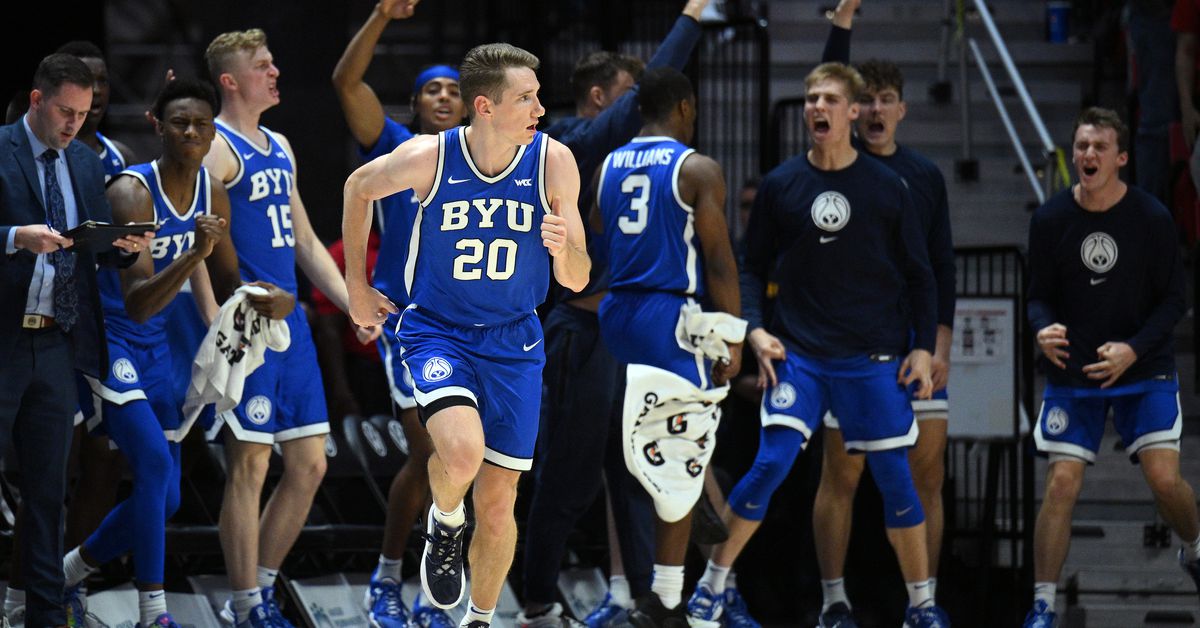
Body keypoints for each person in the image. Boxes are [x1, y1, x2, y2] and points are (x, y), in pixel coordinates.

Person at [685, 62, 950, 628]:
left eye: (828, 98)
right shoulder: (782, 184)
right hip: (800, 357)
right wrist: (754, 329)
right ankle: (712, 588)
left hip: (871, 358)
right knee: (773, 460)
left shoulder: (890, 188)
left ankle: (922, 605)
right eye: (809, 98)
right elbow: (749, 269)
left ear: (853, 111)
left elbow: (923, 277)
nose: (815, 107)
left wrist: (923, 347)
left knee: (894, 475)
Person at [343, 42, 590, 628]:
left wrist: (566, 248)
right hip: (438, 331)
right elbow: (357, 187)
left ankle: (479, 618)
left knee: (501, 502)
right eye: (525, 98)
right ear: (485, 106)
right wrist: (355, 286)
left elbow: (578, 279)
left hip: (515, 340)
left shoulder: (555, 162)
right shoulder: (429, 156)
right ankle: (445, 522)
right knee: (459, 452)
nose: (539, 108)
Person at [522, 3, 710, 625]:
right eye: (630, 100)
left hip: (624, 334)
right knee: (566, 480)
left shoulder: (629, 162)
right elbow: (645, 102)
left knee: (637, 472)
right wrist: (690, 18)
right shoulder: (566, 146)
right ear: (599, 99)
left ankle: (649, 604)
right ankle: (538, 601)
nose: (642, 112)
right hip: (578, 332)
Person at [200, 28, 375, 628]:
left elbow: (302, 238)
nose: (275, 73)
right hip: (247, 328)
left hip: (291, 326)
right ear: (231, 80)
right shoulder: (216, 150)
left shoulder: (278, 144)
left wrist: (353, 300)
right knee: (248, 465)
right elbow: (198, 249)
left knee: (309, 465)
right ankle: (245, 601)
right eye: (262, 66)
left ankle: (260, 590)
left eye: (274, 63)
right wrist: (214, 318)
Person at [61, 78, 242, 628]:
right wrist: (194, 255)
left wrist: (263, 306)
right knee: (154, 466)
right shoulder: (132, 193)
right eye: (180, 122)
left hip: (156, 344)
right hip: (109, 337)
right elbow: (136, 302)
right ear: (156, 126)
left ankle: (64, 573)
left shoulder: (212, 188)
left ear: (213, 133)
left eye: (202, 124)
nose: (191, 131)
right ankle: (153, 612)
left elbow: (229, 272)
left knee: (162, 499)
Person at [807, 4, 957, 626]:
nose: (871, 110)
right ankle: (833, 599)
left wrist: (939, 345)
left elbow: (941, 269)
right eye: (862, 100)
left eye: (883, 99)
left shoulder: (923, 176)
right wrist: (842, 18)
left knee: (927, 476)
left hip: (912, 345)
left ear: (900, 110)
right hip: (850, 347)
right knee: (842, 474)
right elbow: (830, 73)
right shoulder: (834, 166)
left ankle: (924, 601)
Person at [1022, 107, 1200, 627]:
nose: (1088, 155)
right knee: (1061, 484)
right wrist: (1041, 327)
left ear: (1121, 157)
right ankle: (1042, 605)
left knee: (1164, 478)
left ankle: (1193, 546)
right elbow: (1038, 297)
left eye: (1099, 147)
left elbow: (1175, 301)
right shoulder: (1051, 218)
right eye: (1081, 146)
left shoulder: (1150, 217)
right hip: (1075, 370)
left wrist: (1132, 349)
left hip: (1142, 366)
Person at [0, 52, 150, 628]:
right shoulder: (4, 149)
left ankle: (42, 614)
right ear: (37, 100)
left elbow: (89, 247)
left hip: (58, 343)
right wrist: (15, 235)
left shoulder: (86, 164)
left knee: (46, 493)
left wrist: (120, 248)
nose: (73, 124)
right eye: (65, 111)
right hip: (6, 337)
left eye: (84, 114)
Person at [590, 66, 744, 628]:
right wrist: (732, 335)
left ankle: (677, 542)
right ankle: (667, 599)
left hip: (616, 312)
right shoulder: (696, 168)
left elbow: (595, 240)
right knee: (681, 447)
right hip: (667, 314)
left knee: (639, 446)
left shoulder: (607, 166)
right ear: (683, 107)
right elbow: (722, 262)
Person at [330, 2, 467, 624]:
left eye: (453, 90)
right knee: (434, 453)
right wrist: (383, 16)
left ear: (471, 105)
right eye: (431, 89)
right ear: (415, 105)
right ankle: (390, 579)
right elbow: (346, 84)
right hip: (409, 324)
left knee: (461, 462)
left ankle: (437, 588)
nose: (442, 96)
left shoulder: (490, 159)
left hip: (475, 324)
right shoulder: (395, 145)